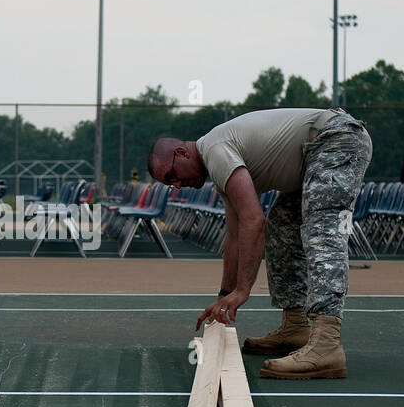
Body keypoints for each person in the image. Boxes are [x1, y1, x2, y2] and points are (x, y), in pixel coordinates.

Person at [147, 107, 372, 379]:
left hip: (336, 138)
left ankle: (327, 344)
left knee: (321, 226)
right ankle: (296, 326)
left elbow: (254, 221)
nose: (177, 185)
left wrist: (242, 291)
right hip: (317, 150)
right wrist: (224, 296)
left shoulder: (216, 151)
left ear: (182, 153)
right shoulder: (217, 165)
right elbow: (234, 235)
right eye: (169, 184)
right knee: (283, 226)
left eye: (171, 176)